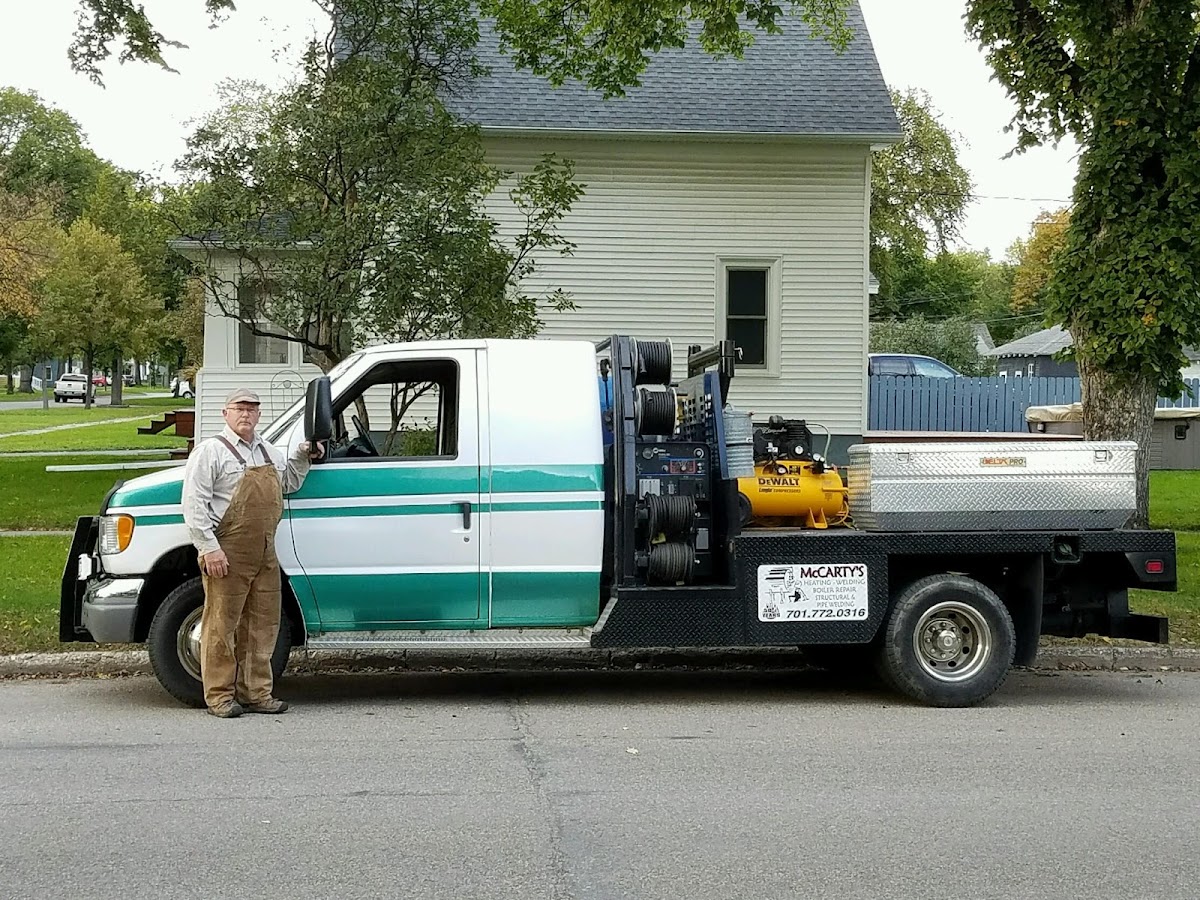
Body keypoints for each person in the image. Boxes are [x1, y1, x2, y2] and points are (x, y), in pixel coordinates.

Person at [181, 388, 324, 718]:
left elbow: (288, 482)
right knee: (221, 626)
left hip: (265, 552)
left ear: (259, 415)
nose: (245, 414)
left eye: (251, 409)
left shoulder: (268, 451)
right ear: (225, 413)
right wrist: (209, 549)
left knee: (263, 625)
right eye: (239, 408)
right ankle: (219, 696)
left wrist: (303, 454)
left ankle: (257, 693)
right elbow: (193, 505)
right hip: (227, 552)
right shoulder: (210, 452)